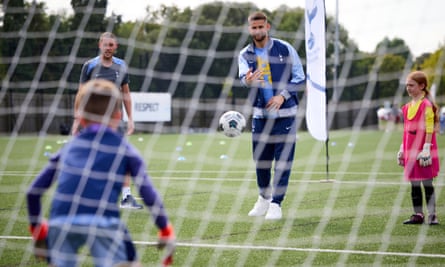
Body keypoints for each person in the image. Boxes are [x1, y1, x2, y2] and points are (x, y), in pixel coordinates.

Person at [26, 79, 175, 266]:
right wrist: (165, 229)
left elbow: (33, 192)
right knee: (128, 260)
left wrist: (38, 231)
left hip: (61, 222)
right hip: (103, 221)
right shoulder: (125, 149)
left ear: (80, 118)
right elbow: (148, 193)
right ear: (118, 116)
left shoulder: (68, 149)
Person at [238, 11, 305, 220]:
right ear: (250, 29)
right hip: (260, 117)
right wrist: (248, 80)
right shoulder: (245, 54)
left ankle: (276, 204)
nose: (257, 30)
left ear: (267, 27)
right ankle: (263, 198)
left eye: (261, 27)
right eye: (254, 28)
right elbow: (243, 78)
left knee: (283, 161)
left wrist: (282, 96)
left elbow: (300, 79)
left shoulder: (285, 48)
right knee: (261, 161)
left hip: (285, 115)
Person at [72, 32, 141, 209]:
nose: (108, 48)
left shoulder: (121, 66)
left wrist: (130, 119)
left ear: (115, 47)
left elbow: (125, 93)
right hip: (91, 119)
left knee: (122, 156)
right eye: (105, 44)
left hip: (114, 120)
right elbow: (81, 94)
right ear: (99, 45)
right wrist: (76, 119)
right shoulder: (89, 66)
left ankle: (126, 198)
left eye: (111, 45)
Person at [397, 70, 440, 225]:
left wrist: (426, 148)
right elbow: (406, 130)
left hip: (424, 151)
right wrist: (402, 149)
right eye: (407, 85)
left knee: (427, 183)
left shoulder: (426, 105)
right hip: (410, 150)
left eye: (412, 85)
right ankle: (418, 214)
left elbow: (429, 128)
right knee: (414, 184)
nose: (408, 88)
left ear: (422, 86)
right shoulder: (407, 107)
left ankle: (432, 215)